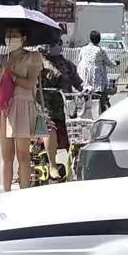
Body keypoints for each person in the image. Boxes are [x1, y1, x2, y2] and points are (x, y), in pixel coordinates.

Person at [0, 24, 44, 191]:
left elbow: (29, 84)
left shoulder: (33, 57)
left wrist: (12, 75)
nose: (10, 38)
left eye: (14, 34)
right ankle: (5, 192)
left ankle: (23, 192)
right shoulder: (1, 58)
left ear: (23, 39)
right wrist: (2, 71)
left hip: (22, 106)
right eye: (8, 34)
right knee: (6, 155)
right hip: (4, 107)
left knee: (23, 154)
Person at [40, 43, 83, 179]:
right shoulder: (38, 61)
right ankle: (53, 165)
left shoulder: (67, 64)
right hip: (44, 107)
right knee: (50, 129)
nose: (56, 45)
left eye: (57, 42)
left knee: (77, 131)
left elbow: (78, 82)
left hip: (66, 107)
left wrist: (85, 88)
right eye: (53, 43)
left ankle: (77, 164)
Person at [76, 30, 112, 114]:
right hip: (96, 75)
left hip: (84, 73)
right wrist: (116, 63)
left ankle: (82, 111)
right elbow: (108, 63)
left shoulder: (83, 49)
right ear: (99, 39)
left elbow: (79, 60)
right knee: (99, 94)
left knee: (85, 91)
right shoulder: (100, 50)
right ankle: (101, 110)